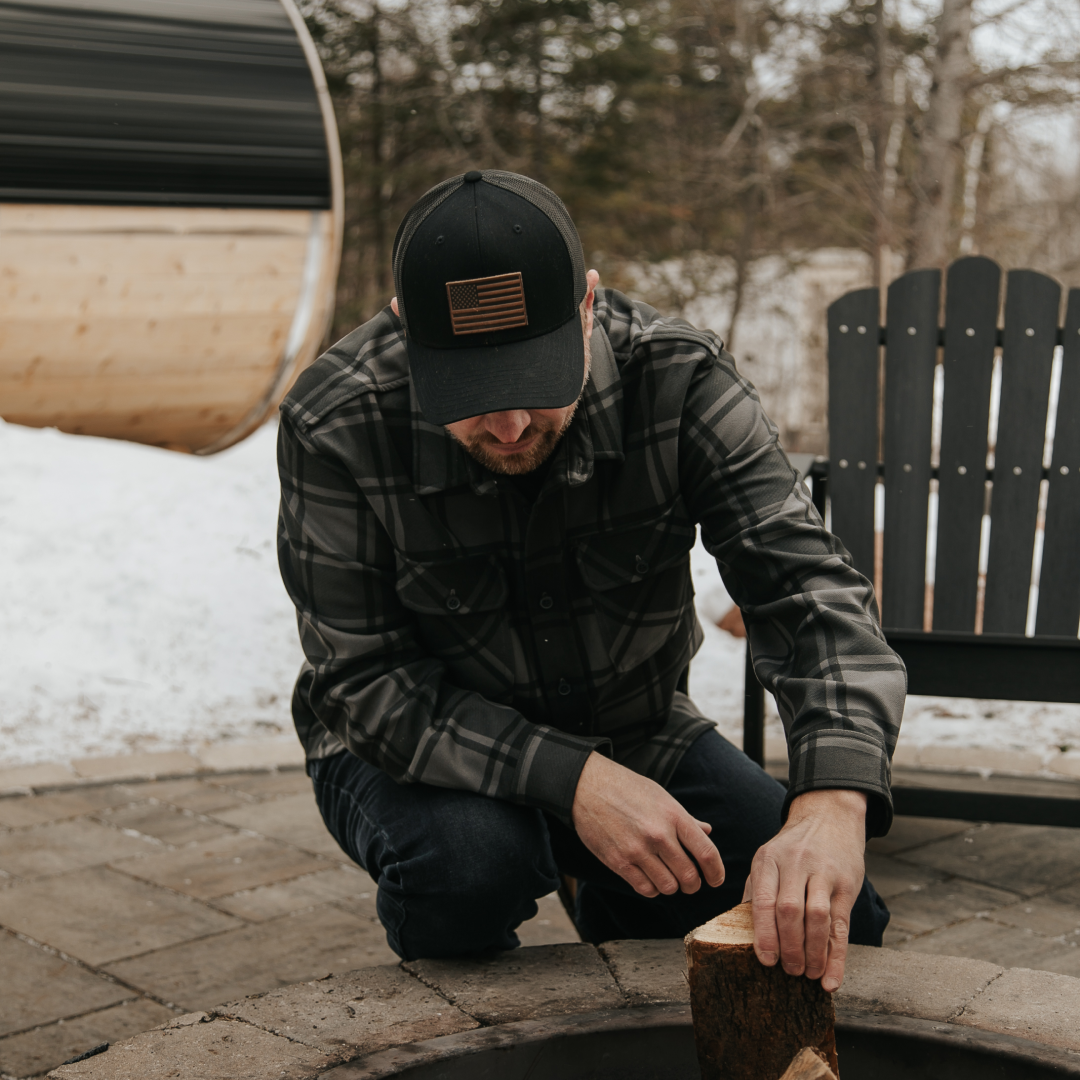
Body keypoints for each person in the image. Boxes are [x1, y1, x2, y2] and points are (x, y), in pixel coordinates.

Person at [277, 169, 904, 992]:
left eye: (535, 381)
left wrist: (832, 801)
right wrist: (571, 779)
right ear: (405, 329)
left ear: (587, 307)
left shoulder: (680, 379)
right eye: (467, 392)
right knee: (471, 868)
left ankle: (619, 914)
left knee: (829, 922)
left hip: (632, 725)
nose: (507, 425)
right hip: (416, 750)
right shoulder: (335, 420)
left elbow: (811, 594)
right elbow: (366, 684)